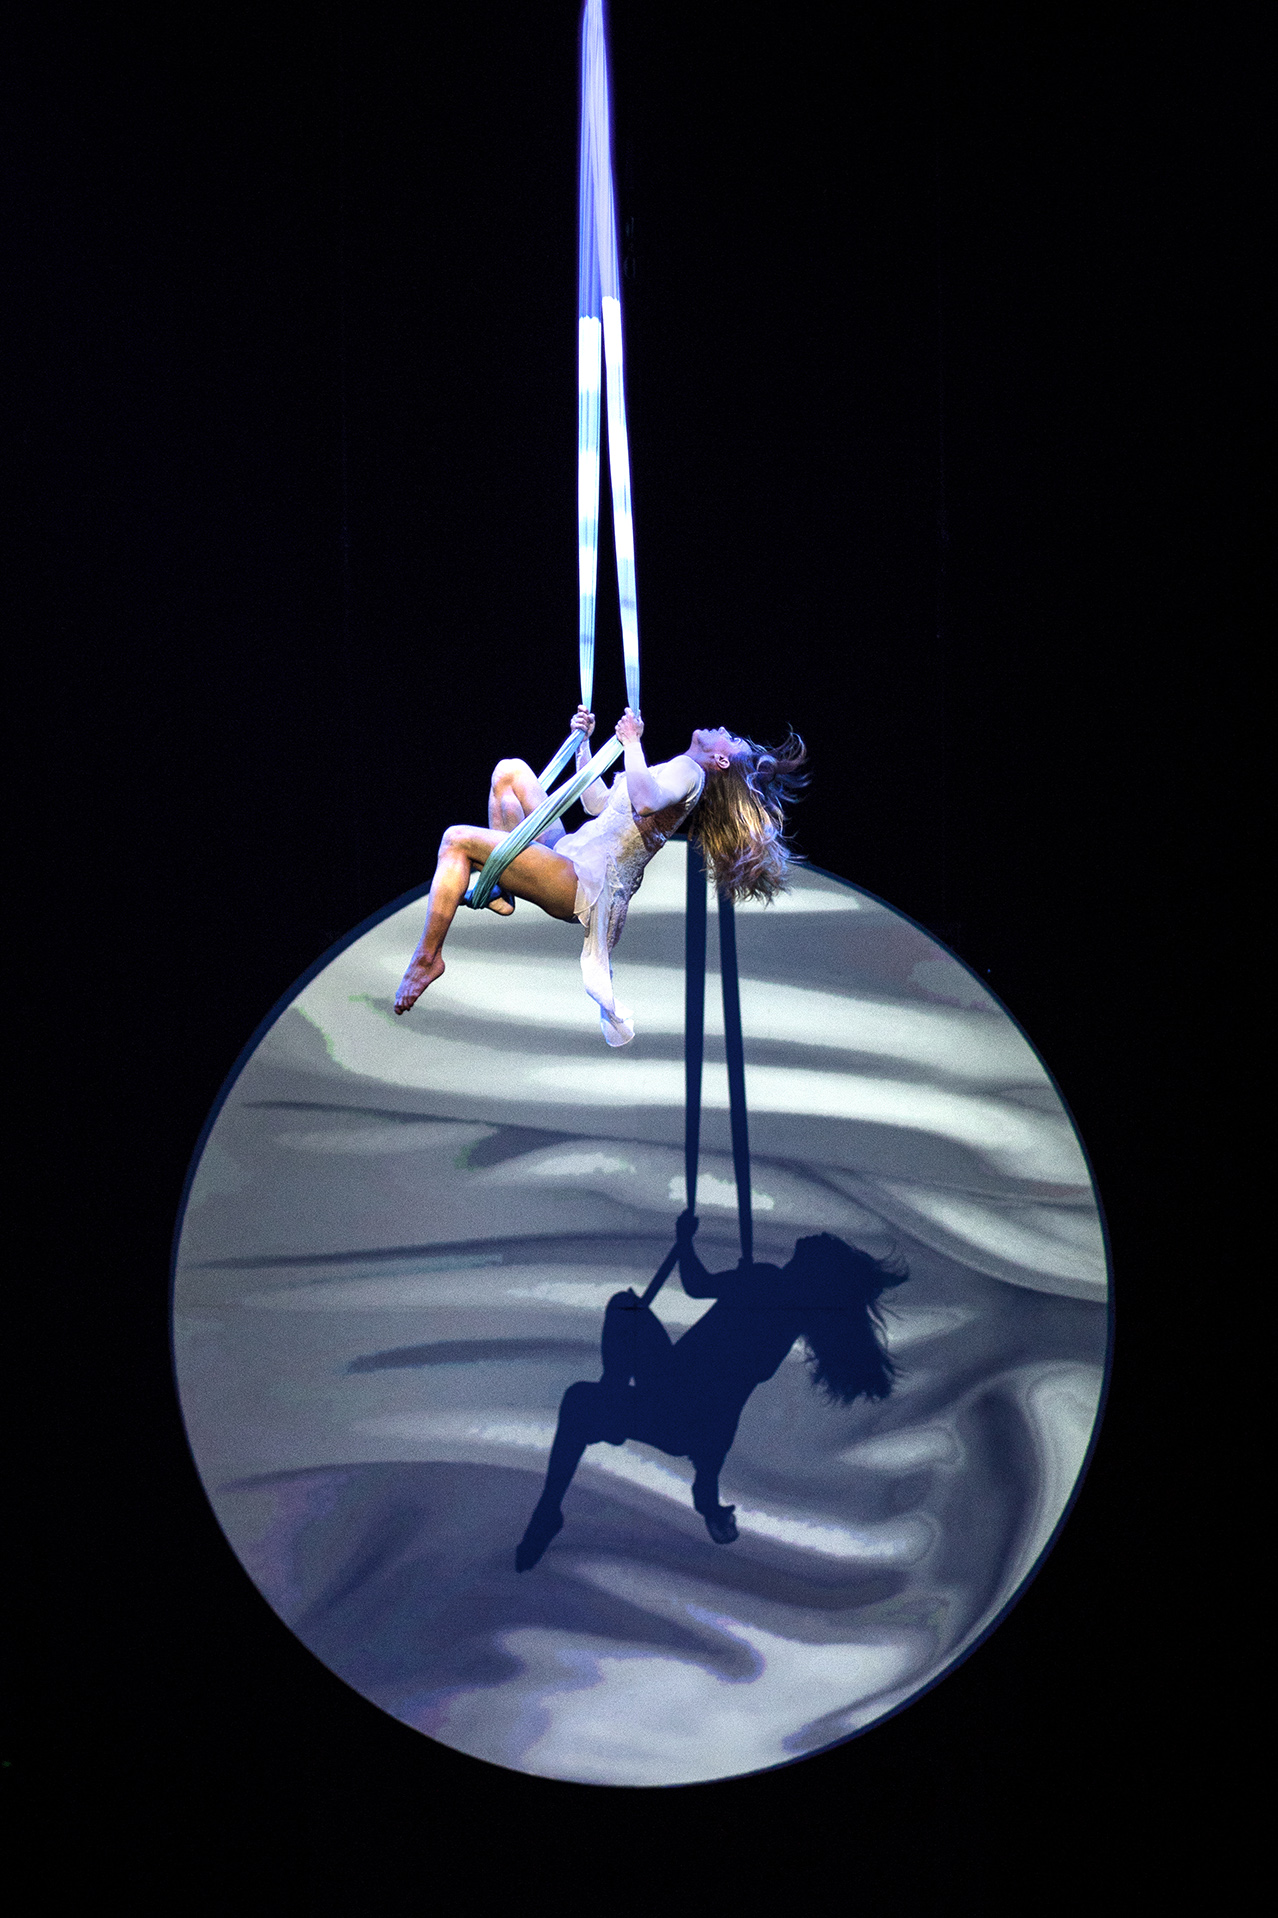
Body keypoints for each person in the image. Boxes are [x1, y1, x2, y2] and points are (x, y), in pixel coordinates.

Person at [514, 1213, 908, 1571]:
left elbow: (698, 1290)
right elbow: (705, 1303)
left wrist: (687, 1241)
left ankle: (564, 1485)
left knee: (602, 1356)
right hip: (681, 1402)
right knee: (622, 1316)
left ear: (816, 1271)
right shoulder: (776, 1299)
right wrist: (708, 1494)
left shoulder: (768, 1289)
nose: (819, 1234)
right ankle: (605, 1418)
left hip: (680, 1407)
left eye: (826, 1243)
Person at [394, 706, 808, 1045]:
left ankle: (428, 958)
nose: (722, 729)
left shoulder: (690, 772)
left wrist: (632, 742)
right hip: (571, 854)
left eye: (730, 739)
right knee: (511, 772)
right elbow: (597, 803)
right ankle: (504, 886)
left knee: (456, 841)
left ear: (721, 760)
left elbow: (645, 803)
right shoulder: (676, 768)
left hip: (580, 881)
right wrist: (585, 743)